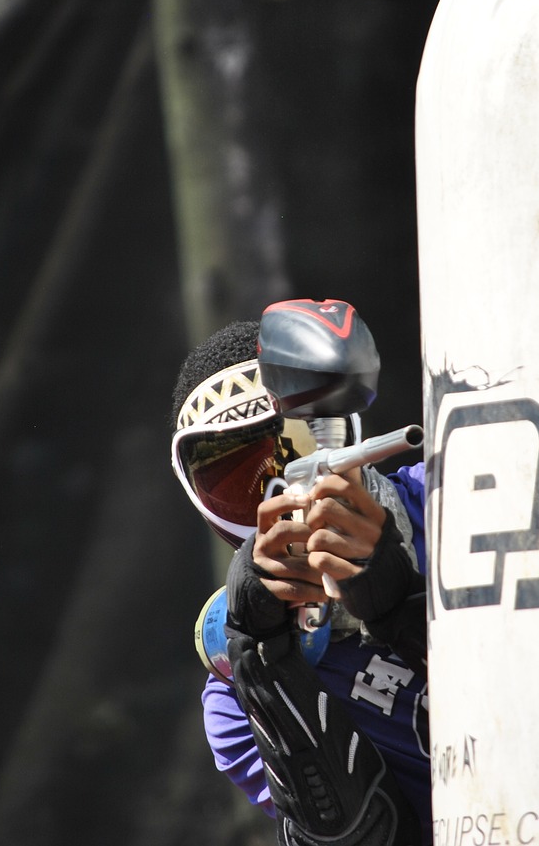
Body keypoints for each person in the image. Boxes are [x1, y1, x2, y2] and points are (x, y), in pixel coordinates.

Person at [170, 318, 430, 845]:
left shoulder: (458, 499)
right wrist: (266, 666)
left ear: (347, 433)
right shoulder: (236, 705)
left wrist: (406, 606)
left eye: (295, 448)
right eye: (240, 484)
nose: (285, 495)